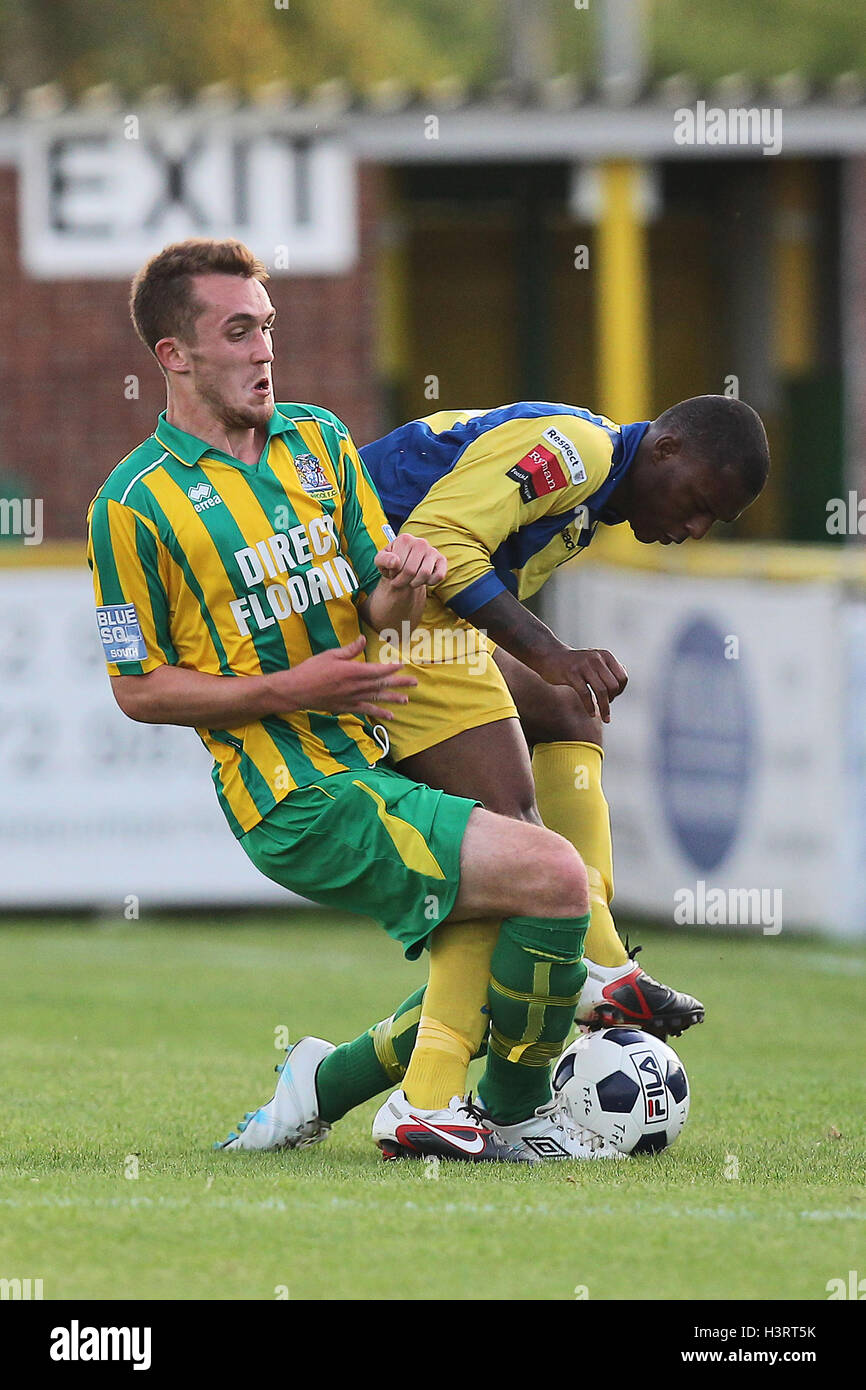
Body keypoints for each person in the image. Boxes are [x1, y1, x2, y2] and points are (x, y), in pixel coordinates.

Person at [86, 237, 624, 1164]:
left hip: (363, 758)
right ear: (174, 356)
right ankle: (510, 1110)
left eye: (269, 328)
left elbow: (377, 612)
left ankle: (343, 1085)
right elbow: (137, 690)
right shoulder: (132, 506)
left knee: (507, 909)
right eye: (238, 331)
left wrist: (407, 579)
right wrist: (293, 687)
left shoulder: (319, 442)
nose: (263, 350)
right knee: (553, 877)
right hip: (293, 798)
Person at [222, 396, 770, 1152]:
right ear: (667, 449)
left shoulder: (588, 489)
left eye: (716, 522)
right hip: (387, 617)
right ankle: (448, 1090)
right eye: (699, 504)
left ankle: (589, 962)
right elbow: (440, 541)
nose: (694, 529)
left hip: (420, 623)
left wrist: (551, 671)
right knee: (511, 852)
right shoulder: (575, 451)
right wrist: (551, 652)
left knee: (566, 718)